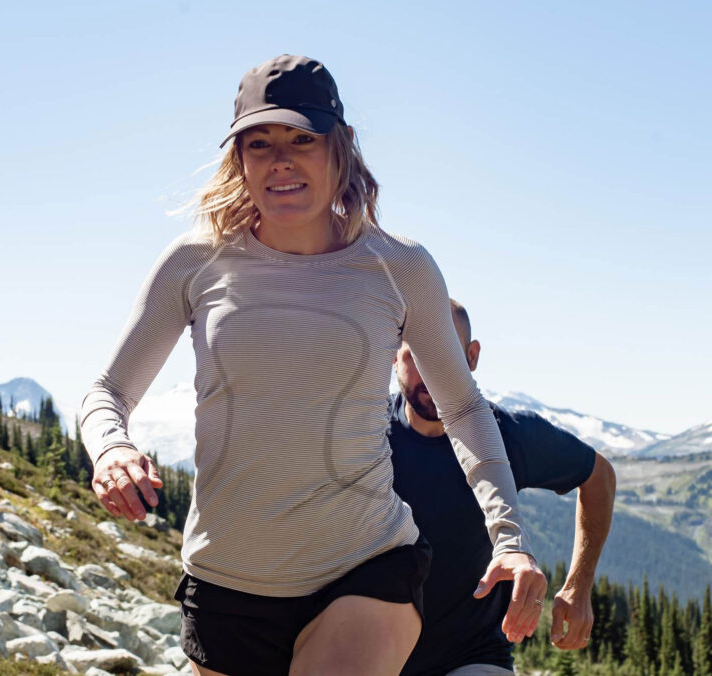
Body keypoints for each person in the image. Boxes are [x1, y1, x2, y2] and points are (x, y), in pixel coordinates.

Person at [79, 55, 544, 676]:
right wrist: (110, 449)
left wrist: (509, 540)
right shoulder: (194, 264)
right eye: (260, 142)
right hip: (226, 579)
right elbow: (107, 391)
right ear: (239, 158)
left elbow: (462, 407)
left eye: (303, 139)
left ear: (341, 148)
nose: (281, 160)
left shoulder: (397, 267)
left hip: (365, 565)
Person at [389, 299, 616, 676]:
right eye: (415, 354)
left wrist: (578, 588)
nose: (429, 370)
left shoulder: (507, 433)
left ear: (472, 356)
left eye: (443, 351)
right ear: (393, 358)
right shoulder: (364, 436)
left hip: (473, 657)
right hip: (374, 650)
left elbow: (598, 476)